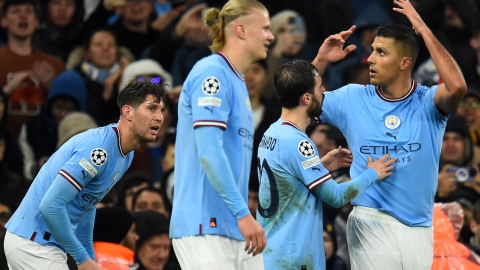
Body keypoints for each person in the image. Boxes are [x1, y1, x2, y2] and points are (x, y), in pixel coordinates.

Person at [312, 0, 467, 269]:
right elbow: (301, 101)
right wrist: (320, 61)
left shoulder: (429, 101)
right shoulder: (352, 97)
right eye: (372, 50)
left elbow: (457, 87)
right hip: (370, 219)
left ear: (405, 62)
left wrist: (424, 31)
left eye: (381, 52)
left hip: (419, 226)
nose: (370, 58)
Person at [3, 80, 167, 270]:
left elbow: (87, 205)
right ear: (128, 112)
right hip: (33, 243)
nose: (159, 117)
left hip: (41, 244)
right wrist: (81, 258)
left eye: (162, 110)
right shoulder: (98, 150)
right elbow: (50, 206)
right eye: (152, 108)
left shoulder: (126, 154)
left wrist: (89, 256)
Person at [257, 60, 394, 269]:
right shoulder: (300, 142)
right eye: (320, 87)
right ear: (306, 98)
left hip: (272, 253)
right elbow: (336, 197)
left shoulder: (272, 132)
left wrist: (320, 166)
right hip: (294, 258)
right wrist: (371, 174)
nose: (324, 91)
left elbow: (285, 182)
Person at [170, 0, 274, 269]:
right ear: (240, 30)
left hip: (235, 227)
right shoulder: (212, 73)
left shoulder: (238, 81)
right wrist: (243, 213)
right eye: (264, 28)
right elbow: (209, 151)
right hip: (204, 223)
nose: (271, 37)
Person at [0, 0, 66, 140]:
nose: (23, 16)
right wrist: (6, 91)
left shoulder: (55, 64)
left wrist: (52, 86)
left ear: (36, 22)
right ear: (4, 21)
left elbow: (68, 112)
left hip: (43, 145)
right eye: (16, 11)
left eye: (29, 12)